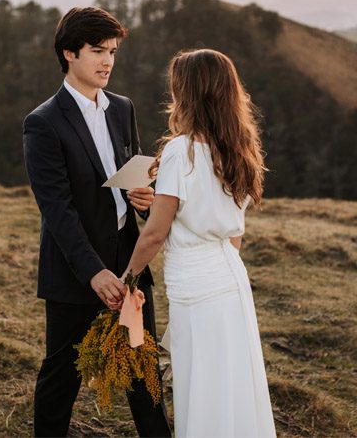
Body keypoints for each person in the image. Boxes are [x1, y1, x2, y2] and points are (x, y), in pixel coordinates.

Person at [23, 7, 171, 437]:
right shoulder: (43, 123)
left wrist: (144, 200)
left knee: (144, 374)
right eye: (96, 51)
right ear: (69, 53)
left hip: (130, 266)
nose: (107, 61)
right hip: (75, 275)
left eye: (113, 51)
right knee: (61, 379)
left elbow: (134, 178)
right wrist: (93, 272)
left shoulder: (122, 108)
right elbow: (57, 211)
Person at [121, 49, 276, 438]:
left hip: (195, 282)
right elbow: (232, 233)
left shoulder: (180, 150)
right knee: (232, 379)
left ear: (187, 94)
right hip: (229, 274)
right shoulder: (237, 148)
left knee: (203, 381)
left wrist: (128, 278)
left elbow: (156, 232)